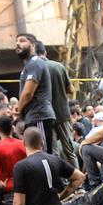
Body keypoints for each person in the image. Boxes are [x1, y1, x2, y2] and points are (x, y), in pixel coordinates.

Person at [33, 41, 78, 169]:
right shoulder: (58, 66)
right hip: (62, 114)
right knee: (69, 149)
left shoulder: (35, 69)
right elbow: (71, 90)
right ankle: (78, 185)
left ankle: (61, 182)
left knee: (53, 152)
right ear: (45, 52)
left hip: (46, 116)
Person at [12, 33, 57, 139]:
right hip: (33, 117)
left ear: (32, 45)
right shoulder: (28, 65)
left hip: (40, 116)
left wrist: (18, 109)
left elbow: (28, 93)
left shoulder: (35, 63)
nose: (18, 44)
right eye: (16, 41)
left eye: (22, 41)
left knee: (42, 154)